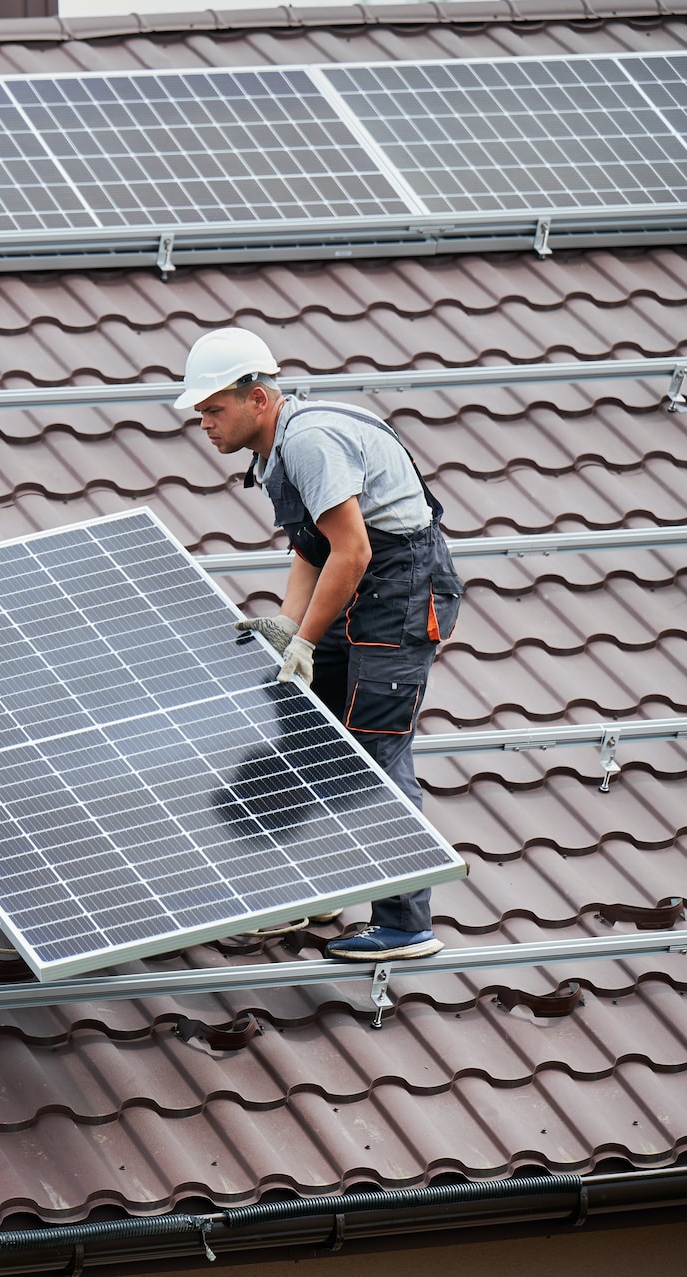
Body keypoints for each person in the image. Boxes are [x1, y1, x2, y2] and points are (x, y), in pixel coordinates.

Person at [174, 328, 464, 961]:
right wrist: (288, 627)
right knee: (306, 718)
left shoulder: (307, 442)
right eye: (200, 413)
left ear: (258, 398)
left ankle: (406, 923)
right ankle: (325, 881)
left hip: (401, 588)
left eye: (214, 409)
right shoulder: (272, 449)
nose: (206, 424)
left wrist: (308, 637)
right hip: (360, 580)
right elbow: (312, 545)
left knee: (374, 755)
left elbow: (354, 549)